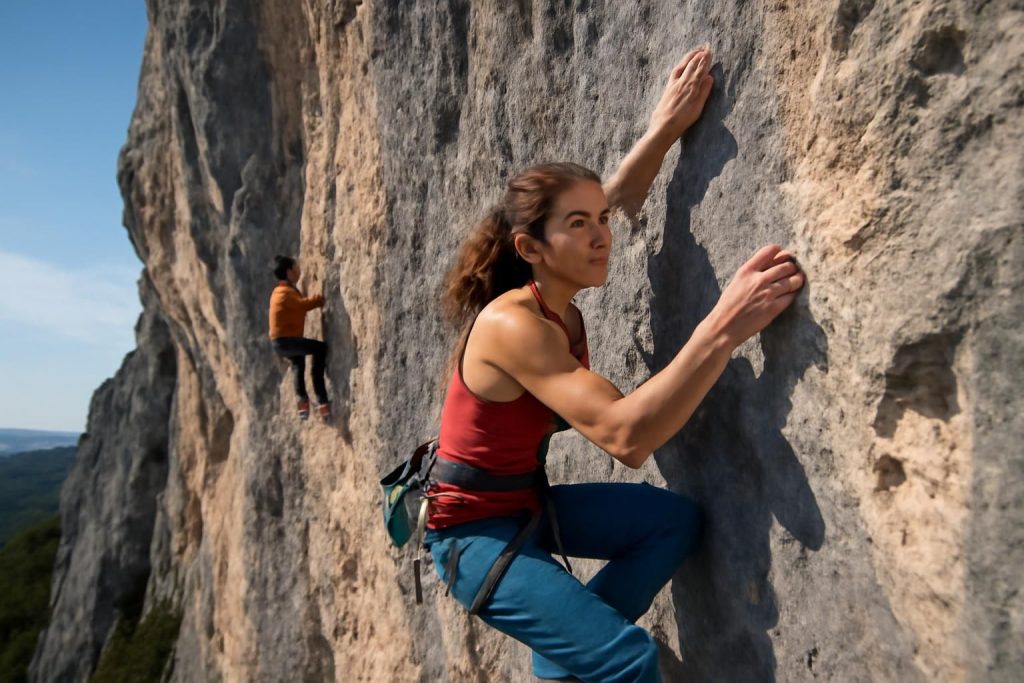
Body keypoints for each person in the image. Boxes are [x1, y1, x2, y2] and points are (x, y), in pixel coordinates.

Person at [423, 48, 805, 682]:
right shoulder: (514, 325)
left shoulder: (555, 286)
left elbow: (617, 194)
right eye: (579, 224)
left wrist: (664, 129)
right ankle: (590, 653)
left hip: (523, 503)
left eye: (600, 220)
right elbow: (627, 437)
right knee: (628, 658)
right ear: (531, 248)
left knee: (671, 524)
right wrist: (724, 324)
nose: (601, 235)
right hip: (473, 536)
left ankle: (564, 658)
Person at [269, 255, 331, 420]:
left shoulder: (279, 291)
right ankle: (322, 400)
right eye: (296, 266)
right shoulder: (285, 293)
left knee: (298, 363)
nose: (299, 269)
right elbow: (302, 305)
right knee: (320, 349)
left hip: (280, 343)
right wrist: (320, 300)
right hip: (286, 341)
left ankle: (302, 403)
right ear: (289, 272)